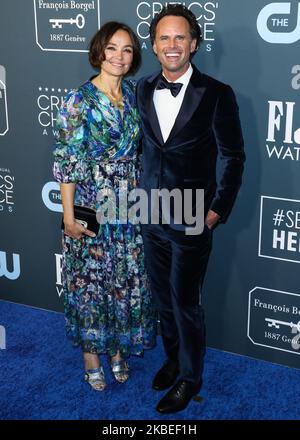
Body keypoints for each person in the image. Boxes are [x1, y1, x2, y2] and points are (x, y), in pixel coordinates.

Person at [136, 4, 245, 413]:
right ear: (153, 45)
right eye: (164, 37)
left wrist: (216, 210)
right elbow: (144, 149)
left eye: (180, 37)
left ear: (195, 43)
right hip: (148, 211)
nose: (172, 45)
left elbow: (233, 157)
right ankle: (172, 358)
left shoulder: (217, 93)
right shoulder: (143, 88)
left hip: (192, 216)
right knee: (162, 298)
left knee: (184, 301)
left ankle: (189, 377)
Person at [53, 22, 156, 391]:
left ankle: (117, 350)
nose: (119, 56)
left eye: (127, 50)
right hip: (91, 202)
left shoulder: (132, 94)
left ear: (134, 57)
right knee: (91, 282)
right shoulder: (78, 99)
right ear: (99, 52)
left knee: (123, 279)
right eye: (112, 48)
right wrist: (68, 217)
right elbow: (66, 162)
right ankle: (91, 357)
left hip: (127, 203)